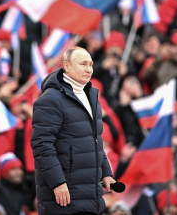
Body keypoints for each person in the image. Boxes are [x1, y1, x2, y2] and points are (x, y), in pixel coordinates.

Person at [31, 46, 115, 215]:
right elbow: (42, 146)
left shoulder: (92, 96)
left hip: (91, 196)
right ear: (66, 66)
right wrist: (57, 183)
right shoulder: (50, 100)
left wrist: (106, 172)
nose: (89, 69)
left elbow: (94, 141)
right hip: (64, 198)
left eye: (91, 64)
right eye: (83, 64)